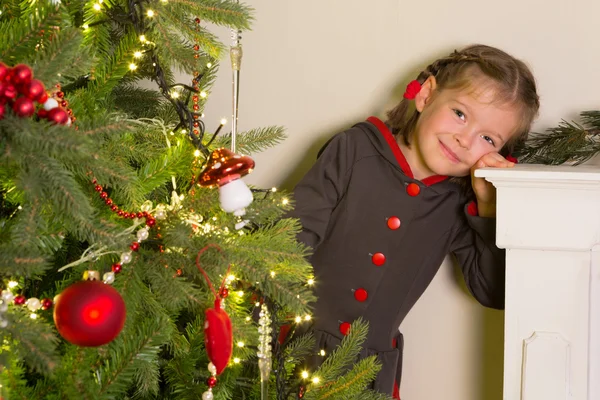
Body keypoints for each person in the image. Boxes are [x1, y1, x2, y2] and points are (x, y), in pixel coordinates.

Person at [288, 44, 540, 398]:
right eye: (460, 113)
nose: (464, 140)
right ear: (425, 94)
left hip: (368, 376)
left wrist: (488, 206)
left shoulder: (459, 201)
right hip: (291, 349)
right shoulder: (355, 149)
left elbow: (493, 291)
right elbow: (291, 241)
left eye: (487, 138)